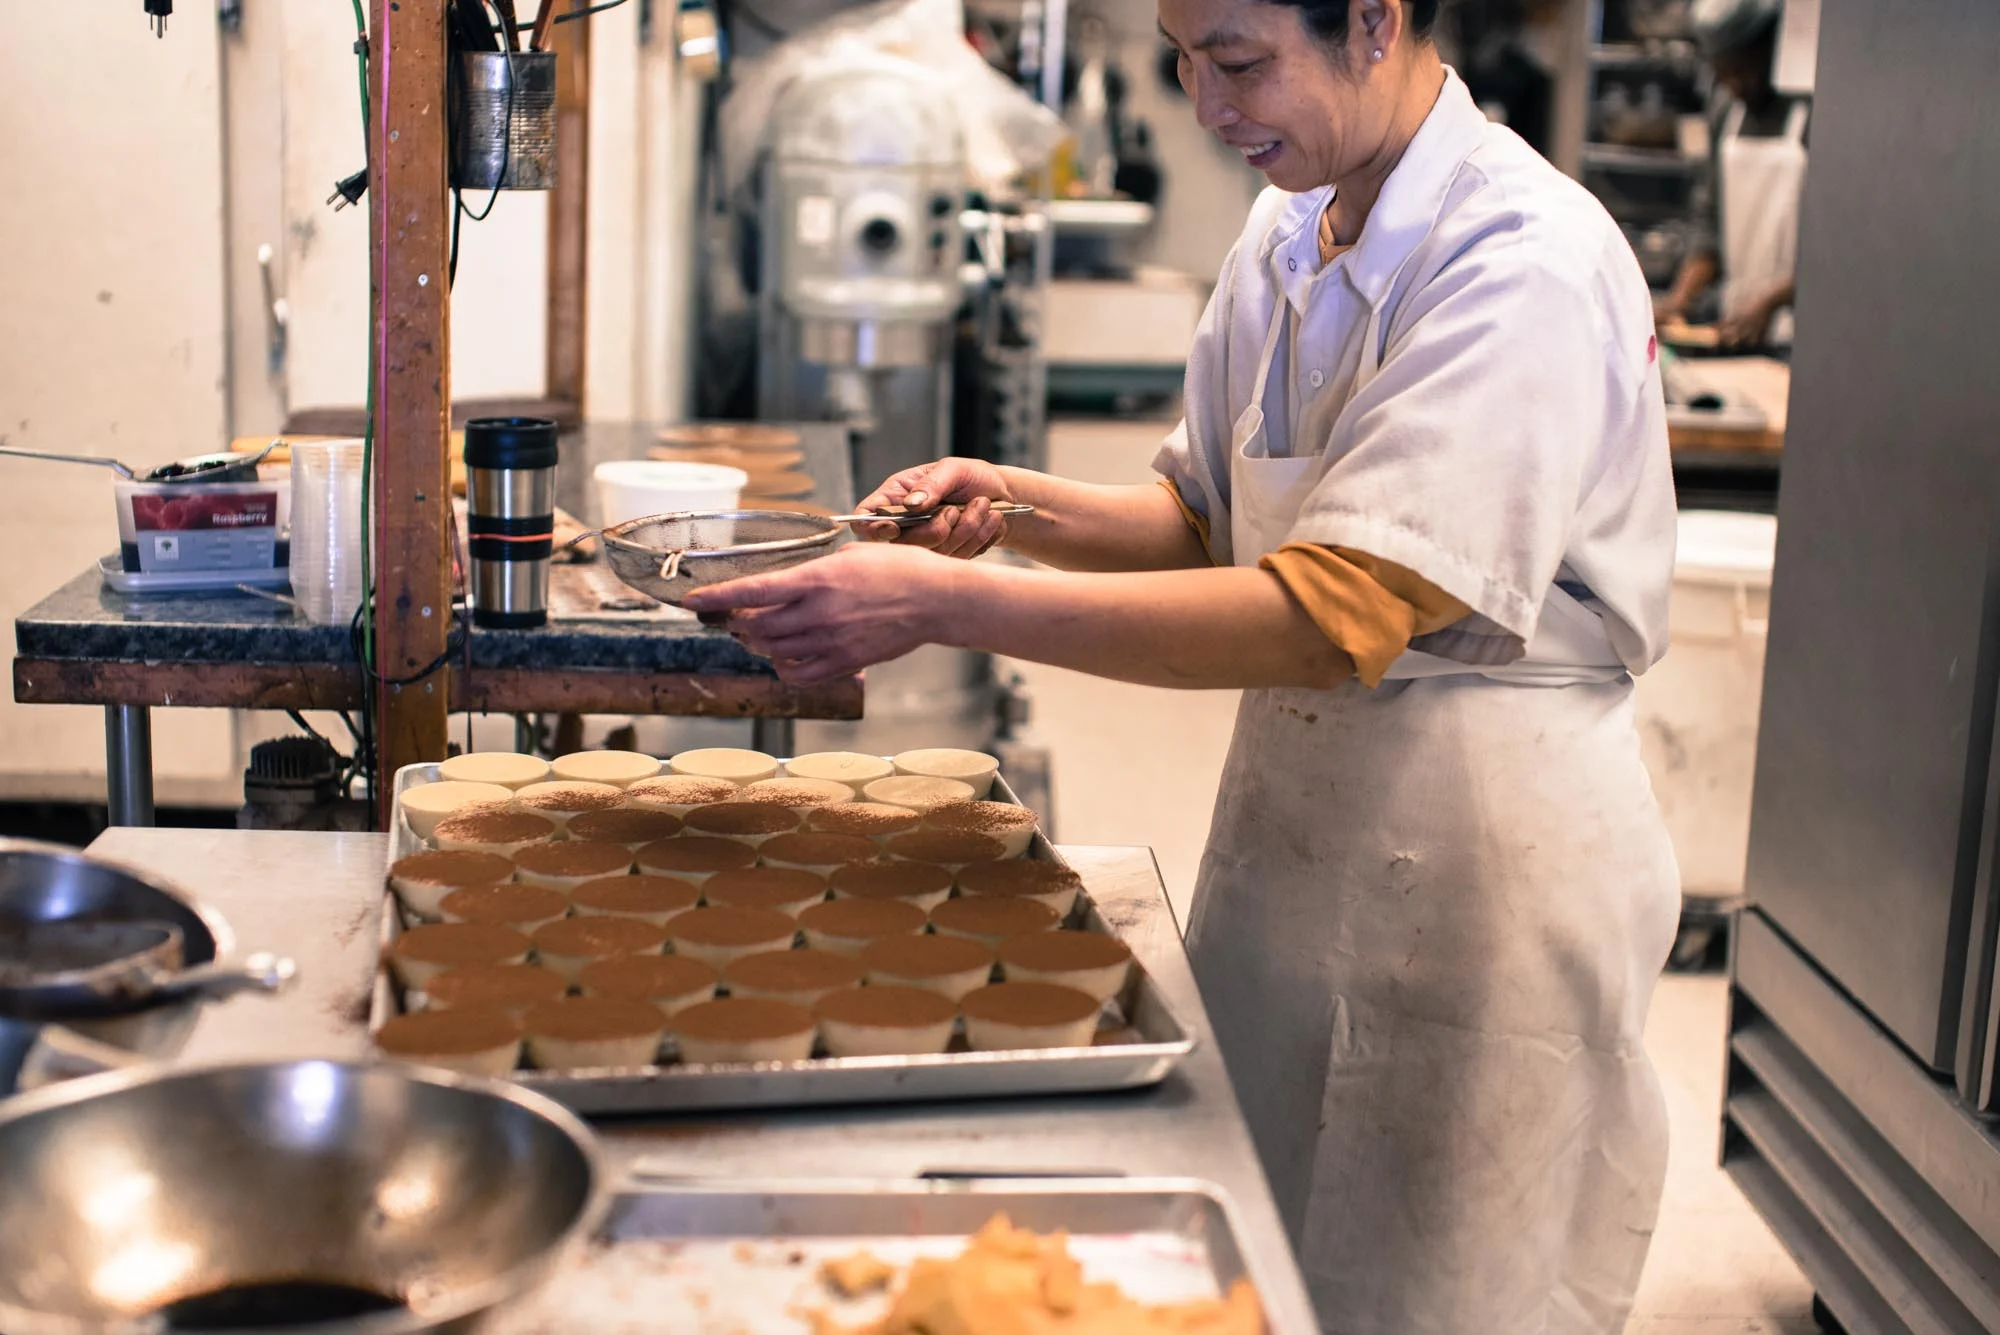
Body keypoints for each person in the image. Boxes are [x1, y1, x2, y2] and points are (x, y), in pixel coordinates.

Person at [685, 1, 1680, 1329]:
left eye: (1239, 60)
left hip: (1486, 862)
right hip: (1298, 837)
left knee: (1441, 1284)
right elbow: (1208, 521)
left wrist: (945, 605)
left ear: (1374, 22)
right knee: (1262, 1256)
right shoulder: (1289, 228)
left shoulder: (1523, 259)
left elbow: (1337, 609)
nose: (1205, 106)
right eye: (1183, 58)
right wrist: (1015, 507)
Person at [1655, 0, 1807, 349]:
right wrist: (1680, 298)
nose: (1734, 85)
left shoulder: (1813, 114)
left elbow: (1832, 249)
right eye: (1722, 74)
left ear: (1772, 51)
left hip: (1798, 335)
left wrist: (1771, 301)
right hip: (1737, 327)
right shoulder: (1727, 114)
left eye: (1742, 70)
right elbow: (1710, 223)